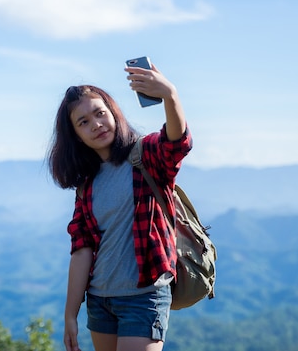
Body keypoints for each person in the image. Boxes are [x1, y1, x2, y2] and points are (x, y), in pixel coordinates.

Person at [47, 62, 192, 351]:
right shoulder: (86, 184)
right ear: (75, 134)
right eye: (83, 122)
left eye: (100, 113)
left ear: (113, 113)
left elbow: (177, 143)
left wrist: (170, 96)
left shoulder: (146, 156)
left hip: (145, 296)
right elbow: (81, 249)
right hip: (100, 301)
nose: (96, 124)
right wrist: (70, 314)